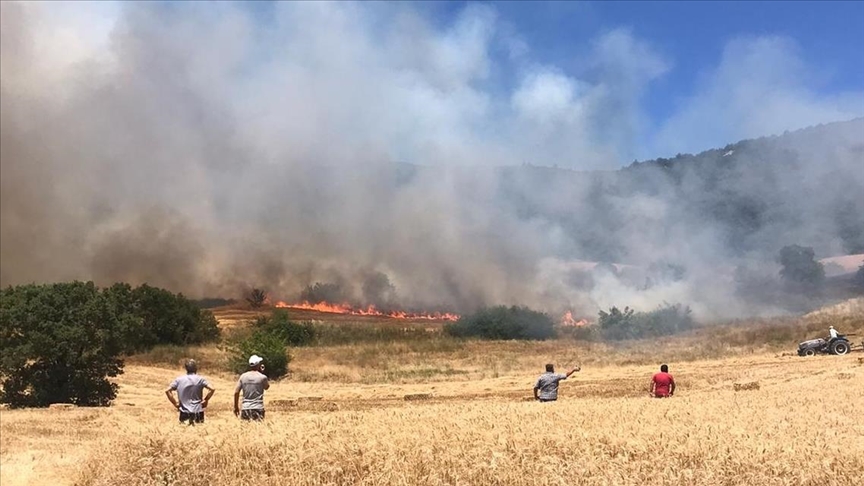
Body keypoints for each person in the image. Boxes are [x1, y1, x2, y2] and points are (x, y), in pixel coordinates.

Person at [165, 359, 215, 425]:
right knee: (199, 432)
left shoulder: (179, 380)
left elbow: (167, 390)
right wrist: (206, 400)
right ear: (196, 368)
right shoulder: (201, 379)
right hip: (198, 411)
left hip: (184, 411)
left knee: (185, 432)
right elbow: (212, 389)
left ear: (186, 368)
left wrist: (175, 403)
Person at [234, 354, 270, 421]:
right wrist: (262, 372)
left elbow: (236, 392)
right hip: (258, 408)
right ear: (258, 365)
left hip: (245, 408)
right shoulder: (262, 377)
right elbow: (267, 387)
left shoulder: (243, 376)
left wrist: (236, 407)